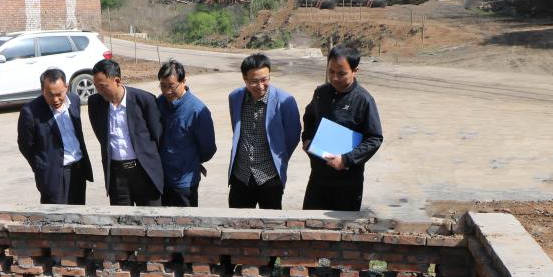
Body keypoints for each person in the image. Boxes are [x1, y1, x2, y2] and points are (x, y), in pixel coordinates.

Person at [301, 45, 383, 211]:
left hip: (348, 183)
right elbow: (309, 116)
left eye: (341, 73)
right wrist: (307, 139)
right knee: (311, 222)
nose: (334, 78)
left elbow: (374, 138)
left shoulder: (363, 100)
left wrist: (346, 160)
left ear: (355, 71)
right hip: (318, 177)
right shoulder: (321, 93)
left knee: (342, 225)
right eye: (331, 71)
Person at [227, 53, 301, 210]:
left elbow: (293, 137)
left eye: (264, 80)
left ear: (269, 76)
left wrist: (279, 158)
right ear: (244, 79)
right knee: (238, 221)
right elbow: (237, 130)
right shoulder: (235, 98)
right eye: (254, 81)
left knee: (271, 222)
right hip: (241, 175)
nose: (260, 86)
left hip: (270, 178)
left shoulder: (285, 101)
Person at [87, 59, 164, 206]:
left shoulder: (144, 100)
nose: (99, 91)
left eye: (103, 86)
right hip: (117, 176)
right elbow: (102, 137)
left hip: (145, 172)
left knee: (151, 216)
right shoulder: (95, 103)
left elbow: (157, 135)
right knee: (121, 219)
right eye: (96, 86)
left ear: (117, 81)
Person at [17, 68, 94, 205]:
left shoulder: (74, 100)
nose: (55, 99)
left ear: (66, 87)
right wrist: (42, 166)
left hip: (78, 171)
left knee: (78, 213)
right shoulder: (30, 111)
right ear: (42, 90)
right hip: (53, 176)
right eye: (50, 95)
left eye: (59, 94)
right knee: (56, 216)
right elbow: (25, 145)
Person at [156, 60, 216, 207]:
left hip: (184, 182)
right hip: (161, 178)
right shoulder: (160, 103)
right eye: (163, 86)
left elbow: (208, 149)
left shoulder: (197, 110)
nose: (167, 91)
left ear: (183, 81)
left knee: (185, 220)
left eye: (171, 86)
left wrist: (190, 160)